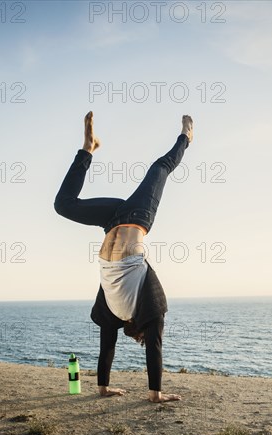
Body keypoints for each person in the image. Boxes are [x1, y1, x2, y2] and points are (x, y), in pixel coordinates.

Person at [54, 111, 193, 403]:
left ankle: (87, 148)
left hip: (113, 219)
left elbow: (107, 347)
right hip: (139, 217)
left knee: (63, 205)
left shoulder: (114, 310)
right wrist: (156, 394)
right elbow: (155, 346)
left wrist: (104, 388)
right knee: (160, 167)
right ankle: (186, 138)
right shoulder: (149, 309)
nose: (140, 336)